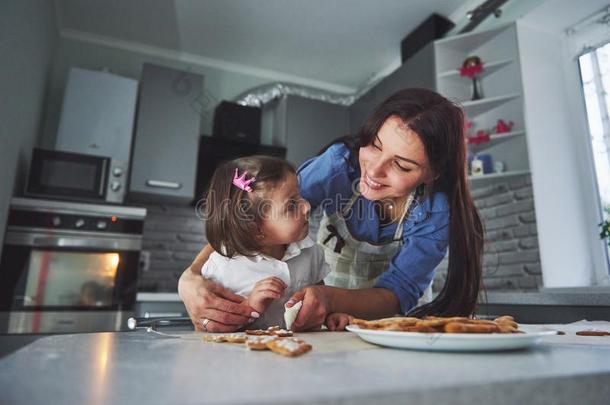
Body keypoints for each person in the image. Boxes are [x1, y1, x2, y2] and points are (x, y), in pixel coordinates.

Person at [178, 88, 483, 332]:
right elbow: (248, 220)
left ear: (434, 173)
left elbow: (399, 292)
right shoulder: (337, 167)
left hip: (395, 331)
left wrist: (329, 298)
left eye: (402, 164)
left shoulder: (435, 212)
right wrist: (190, 278)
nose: (374, 171)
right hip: (325, 327)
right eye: (374, 146)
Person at [195, 155, 333, 329]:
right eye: (291, 205)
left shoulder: (311, 251)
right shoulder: (222, 268)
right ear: (256, 230)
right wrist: (249, 308)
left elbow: (320, 303)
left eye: (300, 196)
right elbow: (208, 329)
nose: (306, 206)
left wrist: (330, 317)